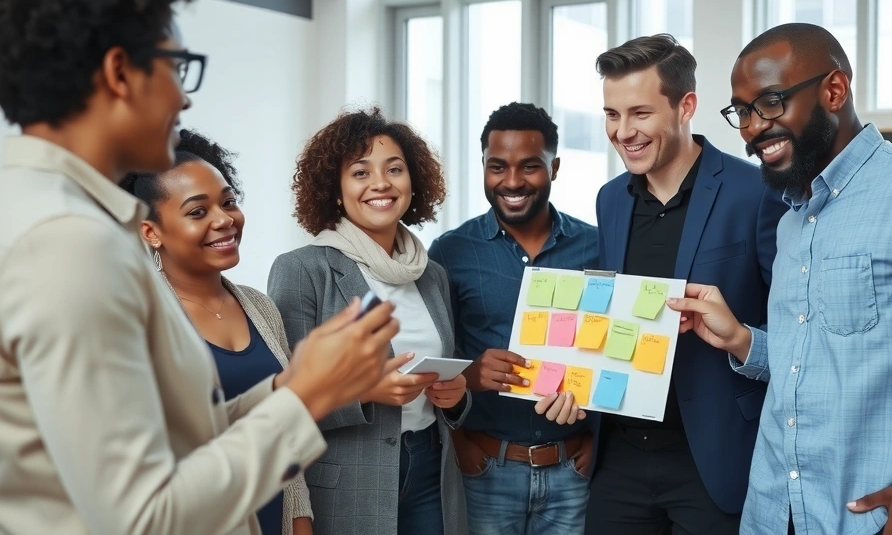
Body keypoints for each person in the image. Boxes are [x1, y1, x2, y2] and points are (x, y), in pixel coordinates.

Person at [0, 0, 397, 535]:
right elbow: (145, 517)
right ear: (119, 72)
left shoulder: (42, 207)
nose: (184, 100)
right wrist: (305, 400)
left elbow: (174, 437)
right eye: (177, 67)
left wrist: (295, 382)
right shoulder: (68, 243)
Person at [669, 22, 892, 535]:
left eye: (770, 103)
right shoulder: (792, 220)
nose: (751, 128)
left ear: (834, 90)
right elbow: (821, 363)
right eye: (742, 112)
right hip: (778, 512)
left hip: (886, 520)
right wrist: (744, 342)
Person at [584, 34, 786, 534]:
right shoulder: (610, 200)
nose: (623, 131)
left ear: (686, 106)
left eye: (640, 113)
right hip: (621, 455)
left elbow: (799, 333)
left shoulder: (757, 192)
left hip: (716, 456)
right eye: (612, 114)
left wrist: (740, 335)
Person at [268, 107, 470, 535]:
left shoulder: (431, 274)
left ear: (413, 182)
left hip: (431, 470)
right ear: (336, 191)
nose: (381, 183)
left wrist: (456, 396)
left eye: (394, 169)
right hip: (347, 482)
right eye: (360, 173)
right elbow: (284, 399)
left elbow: (449, 370)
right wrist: (367, 391)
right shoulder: (304, 270)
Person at [120, 130, 315, 535]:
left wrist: (299, 523)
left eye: (228, 202)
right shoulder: (137, 320)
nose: (224, 219)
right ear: (150, 232)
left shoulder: (260, 307)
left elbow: (285, 436)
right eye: (197, 212)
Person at [428, 102, 599, 535]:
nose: (512, 181)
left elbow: (616, 354)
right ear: (483, 167)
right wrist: (461, 437)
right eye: (497, 166)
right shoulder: (451, 252)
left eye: (530, 167)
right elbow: (434, 358)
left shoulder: (599, 248)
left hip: (573, 471)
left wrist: (599, 443)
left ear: (554, 168)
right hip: (485, 468)